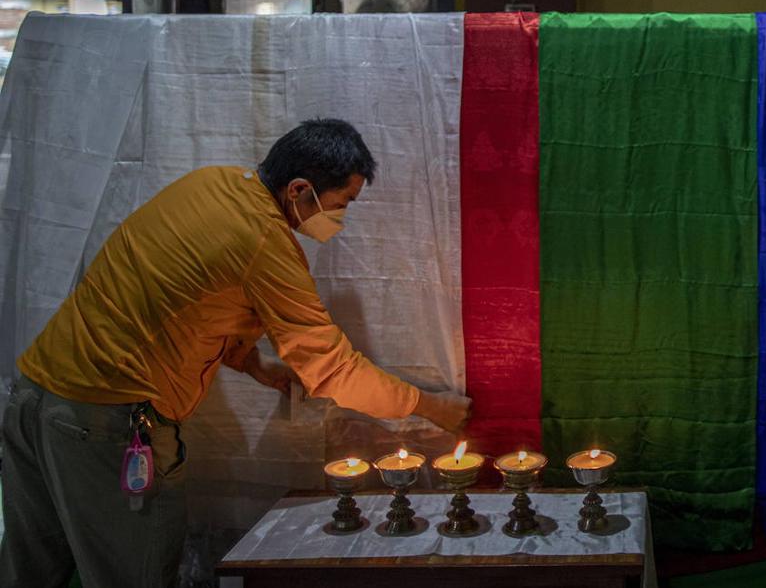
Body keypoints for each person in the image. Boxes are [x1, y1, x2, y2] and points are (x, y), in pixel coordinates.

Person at [0, 118, 471, 587]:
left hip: (33, 397)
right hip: (107, 424)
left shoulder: (212, 183)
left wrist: (254, 365)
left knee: (30, 570)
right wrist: (431, 407)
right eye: (341, 204)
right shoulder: (264, 240)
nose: (340, 219)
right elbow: (333, 370)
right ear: (300, 190)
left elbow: (179, 296)